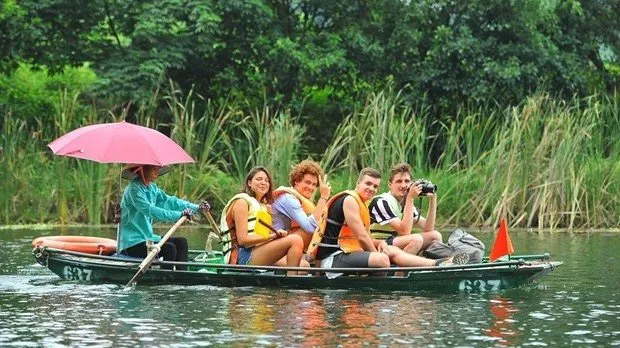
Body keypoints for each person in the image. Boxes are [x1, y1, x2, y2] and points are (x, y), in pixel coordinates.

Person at [312, 168, 468, 272]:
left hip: (348, 251)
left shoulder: (361, 202)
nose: (371, 189)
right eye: (367, 184)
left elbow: (356, 238)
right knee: (384, 259)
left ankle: (438, 264)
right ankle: (390, 279)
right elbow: (362, 237)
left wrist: (381, 245)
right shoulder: (350, 200)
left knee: (391, 250)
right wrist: (379, 253)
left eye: (374, 186)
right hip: (331, 258)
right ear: (358, 183)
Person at [219, 166, 307, 275]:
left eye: (266, 180)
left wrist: (275, 230)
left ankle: (278, 287)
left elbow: (264, 235)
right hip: (241, 256)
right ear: (249, 183)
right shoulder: (241, 202)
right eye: (259, 179)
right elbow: (243, 240)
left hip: (257, 251)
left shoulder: (264, 206)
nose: (263, 183)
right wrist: (273, 236)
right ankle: (291, 285)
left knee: (304, 266)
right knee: (296, 239)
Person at [118, 164, 207, 270]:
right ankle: (166, 282)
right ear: (141, 170)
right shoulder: (134, 191)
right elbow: (152, 211)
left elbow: (171, 201)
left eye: (157, 168)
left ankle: (181, 278)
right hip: (132, 243)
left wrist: (197, 208)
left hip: (147, 238)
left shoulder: (152, 188)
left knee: (182, 242)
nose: (157, 170)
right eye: (153, 168)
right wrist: (179, 215)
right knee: (169, 248)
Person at [368, 163, 442, 255]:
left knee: (435, 235)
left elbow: (428, 228)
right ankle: (400, 269)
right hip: (377, 244)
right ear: (390, 185)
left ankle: (432, 266)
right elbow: (404, 231)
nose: (403, 185)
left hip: (393, 241)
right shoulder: (381, 201)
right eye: (399, 181)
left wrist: (433, 199)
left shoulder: (406, 203)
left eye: (407, 181)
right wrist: (410, 198)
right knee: (416, 239)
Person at [272, 160, 331, 250]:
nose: (311, 187)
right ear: (296, 181)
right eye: (307, 182)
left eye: (314, 184)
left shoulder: (298, 198)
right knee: (314, 230)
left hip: (283, 242)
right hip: (272, 245)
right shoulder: (289, 198)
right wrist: (323, 197)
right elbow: (310, 228)